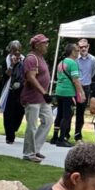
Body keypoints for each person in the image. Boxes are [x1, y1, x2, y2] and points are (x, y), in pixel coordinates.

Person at [21, 34, 54, 162]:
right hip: (33, 97)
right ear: (36, 45)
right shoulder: (31, 58)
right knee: (32, 126)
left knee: (48, 120)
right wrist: (44, 92)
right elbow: (31, 77)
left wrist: (44, 94)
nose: (47, 45)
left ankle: (36, 149)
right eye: (44, 43)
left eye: (46, 42)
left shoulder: (41, 58)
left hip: (42, 98)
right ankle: (28, 154)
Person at [52, 42, 84, 147]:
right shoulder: (73, 63)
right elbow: (75, 80)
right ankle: (62, 139)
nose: (78, 52)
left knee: (59, 114)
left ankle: (55, 137)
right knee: (67, 116)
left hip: (59, 91)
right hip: (68, 93)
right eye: (77, 50)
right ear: (72, 52)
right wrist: (81, 92)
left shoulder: (61, 62)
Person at [1, 41, 25, 144]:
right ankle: (9, 136)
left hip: (22, 90)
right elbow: (6, 75)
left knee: (20, 112)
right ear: (10, 50)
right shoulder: (6, 60)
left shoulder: (25, 59)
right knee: (8, 113)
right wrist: (12, 65)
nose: (17, 52)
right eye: (14, 50)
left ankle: (13, 129)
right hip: (10, 89)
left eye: (18, 50)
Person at [74, 38, 95, 142]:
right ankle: (64, 134)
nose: (83, 49)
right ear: (78, 47)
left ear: (88, 46)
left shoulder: (93, 59)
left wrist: (86, 81)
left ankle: (77, 135)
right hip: (74, 87)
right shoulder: (74, 59)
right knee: (69, 111)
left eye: (85, 46)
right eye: (81, 47)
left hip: (86, 87)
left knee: (80, 112)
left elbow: (92, 72)